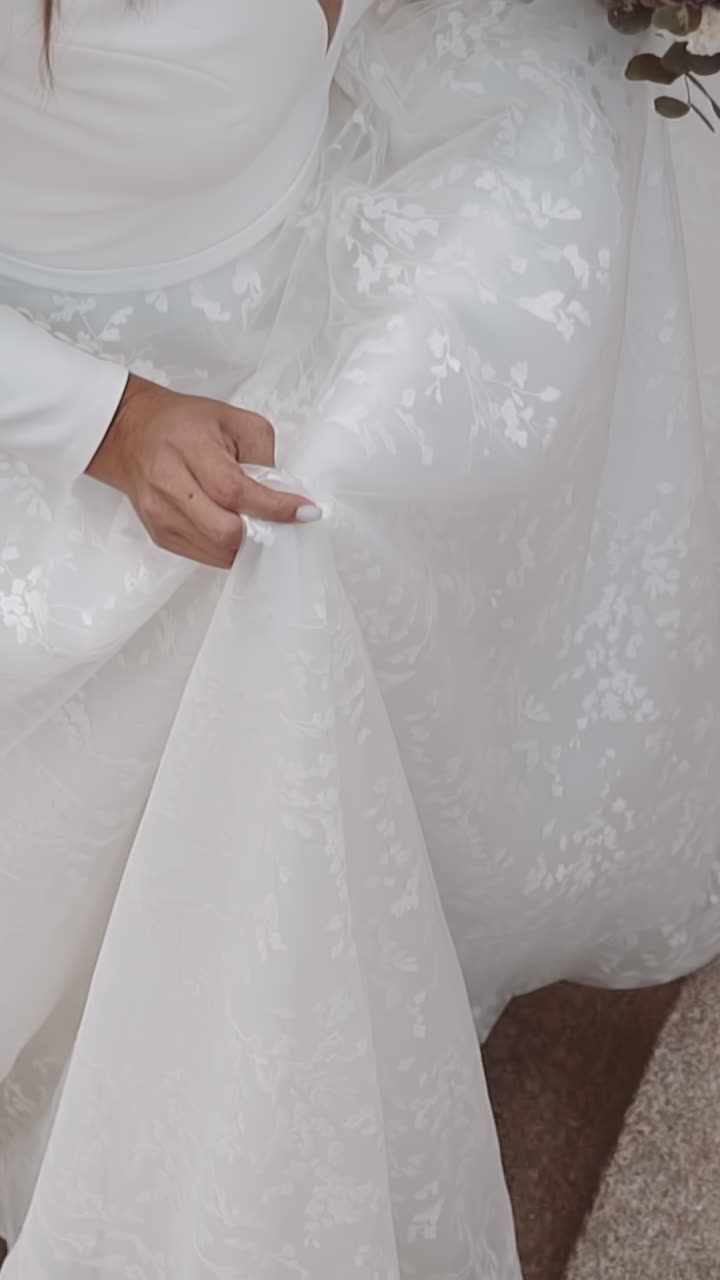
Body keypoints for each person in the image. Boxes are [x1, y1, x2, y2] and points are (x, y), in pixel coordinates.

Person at [0, 0, 718, 1275]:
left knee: (576, 199)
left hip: (338, 205)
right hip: (86, 406)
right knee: (287, 581)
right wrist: (104, 423)